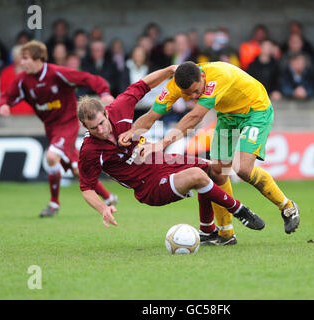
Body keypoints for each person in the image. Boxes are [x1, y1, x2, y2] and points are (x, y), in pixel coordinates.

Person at [118, 61, 300, 242]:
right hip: (227, 117)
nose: (195, 96)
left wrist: (162, 143)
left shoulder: (218, 77)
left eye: (197, 91)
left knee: (243, 169)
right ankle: (226, 233)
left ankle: (288, 207)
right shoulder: (175, 86)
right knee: (217, 172)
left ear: (202, 77)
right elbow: (151, 115)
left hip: (255, 110)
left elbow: (195, 117)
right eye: (189, 95)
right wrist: (130, 134)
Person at [78, 66, 265, 239]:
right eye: (93, 128)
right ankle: (239, 210)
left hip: (162, 161)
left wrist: (169, 71)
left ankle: (207, 231)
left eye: (102, 123)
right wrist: (103, 208)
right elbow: (86, 188)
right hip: (148, 186)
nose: (101, 130)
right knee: (197, 175)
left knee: (213, 170)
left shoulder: (119, 108)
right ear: (85, 127)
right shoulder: (89, 150)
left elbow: (143, 85)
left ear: (106, 114)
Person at [0, 40, 117, 217]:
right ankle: (108, 197)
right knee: (77, 169)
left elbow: (87, 78)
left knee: (51, 156)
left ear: (38, 59)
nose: (21, 63)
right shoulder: (22, 80)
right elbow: (7, 96)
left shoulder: (57, 73)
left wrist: (104, 92)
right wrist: (3, 105)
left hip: (67, 123)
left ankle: (54, 203)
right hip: (51, 128)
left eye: (25, 58)